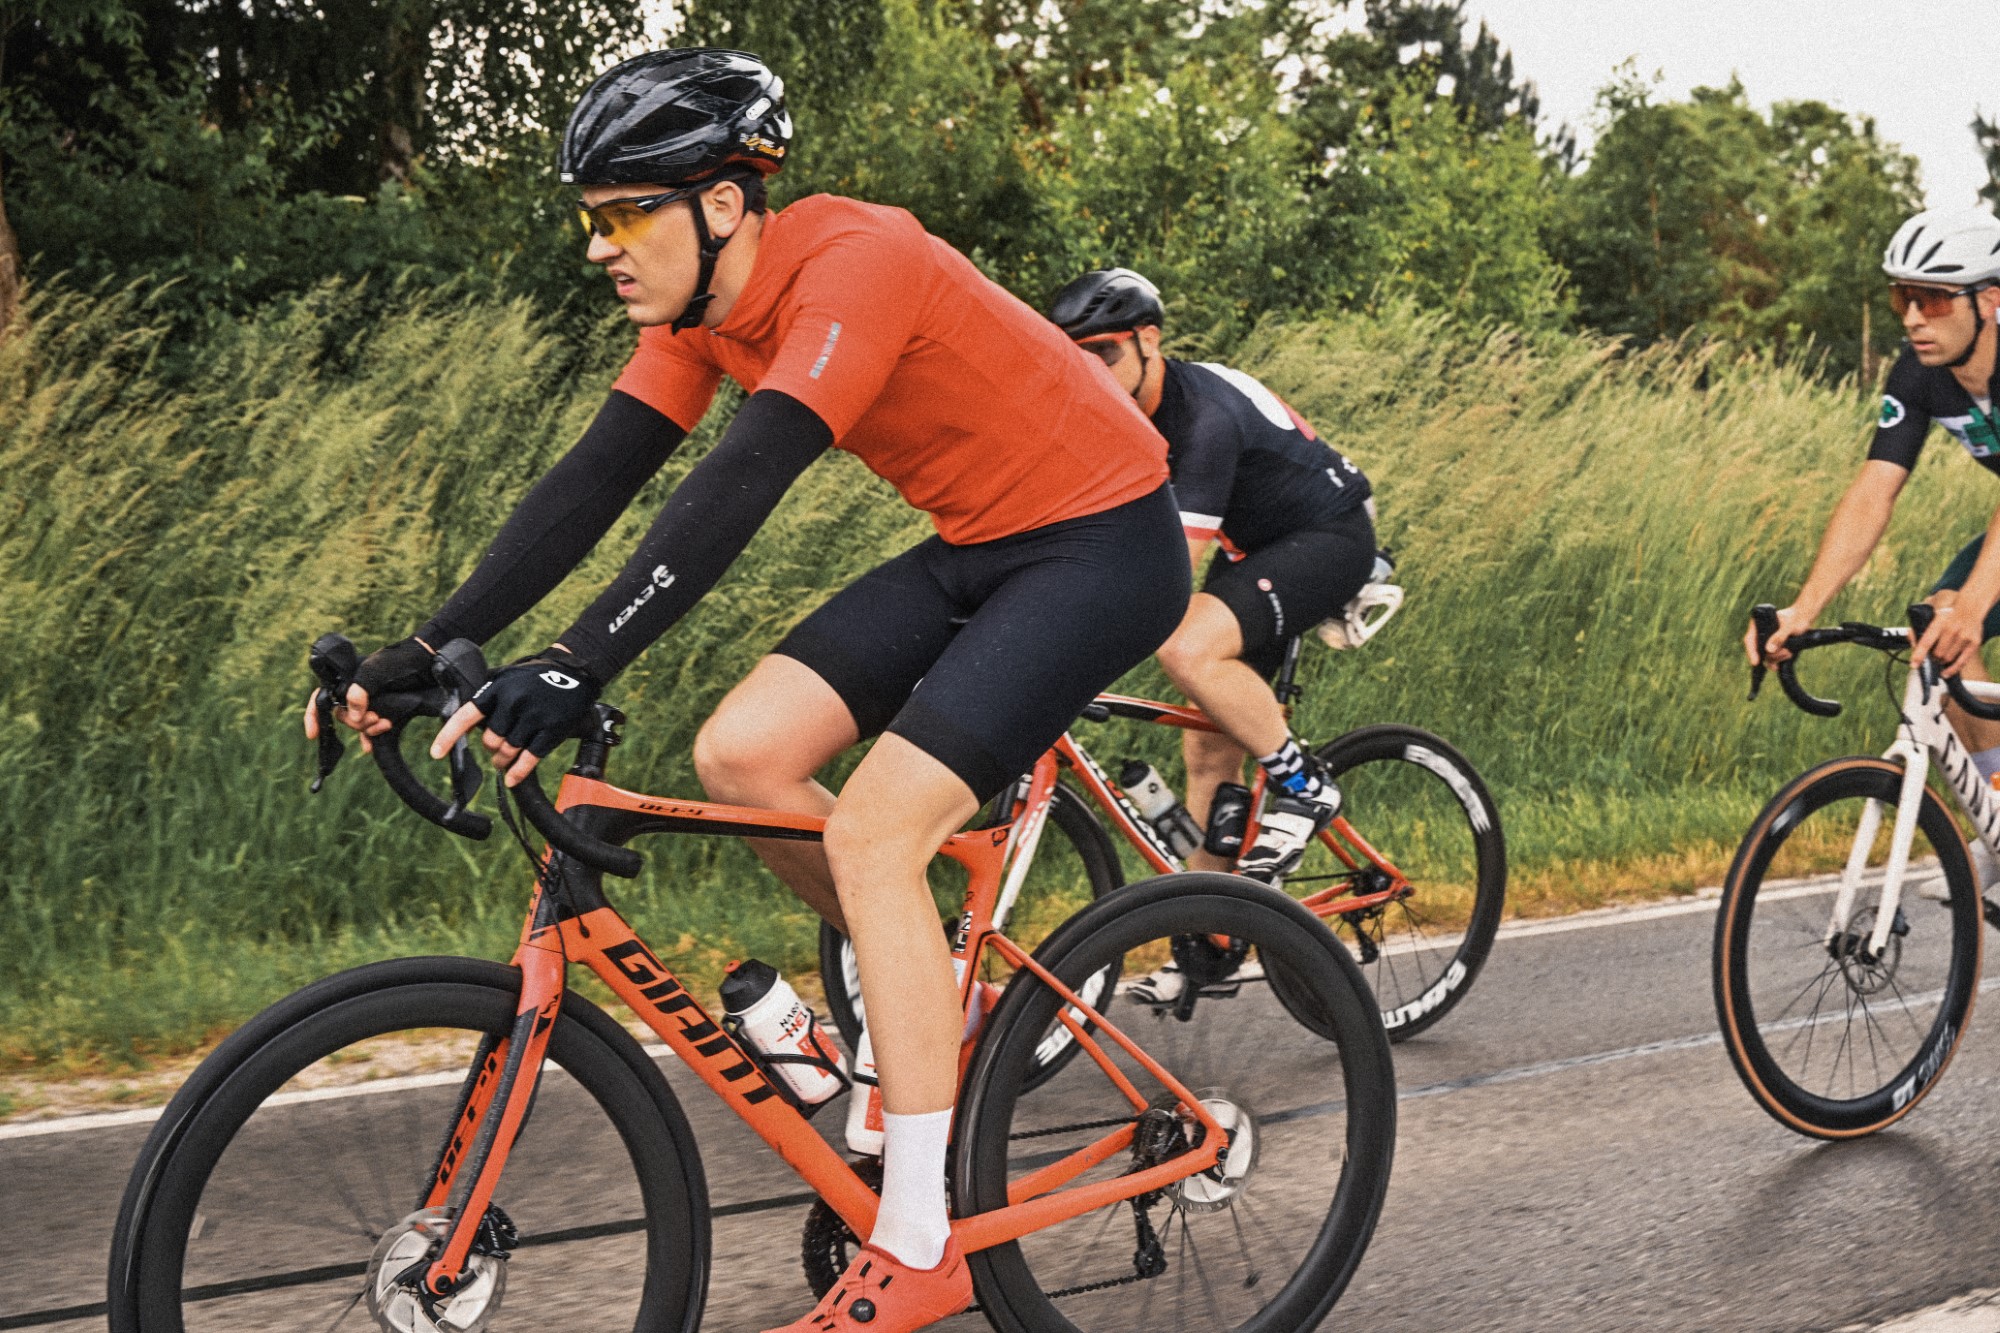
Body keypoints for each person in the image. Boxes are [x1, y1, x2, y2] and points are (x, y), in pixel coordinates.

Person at [305, 50, 1188, 1333]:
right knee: (742, 755)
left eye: (624, 216)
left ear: (721, 203)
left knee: (875, 834)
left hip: (1106, 545)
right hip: (981, 543)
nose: (599, 247)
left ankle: (921, 1239)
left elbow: (744, 479)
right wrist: (432, 639)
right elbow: (597, 477)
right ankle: (931, 1000)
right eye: (591, 218)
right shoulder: (697, 315)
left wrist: (578, 660)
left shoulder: (852, 262)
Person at [1047, 269, 1378, 910]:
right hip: (1253, 550)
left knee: (1186, 647)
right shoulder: (1119, 411)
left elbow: (1165, 572)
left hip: (1329, 537)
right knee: (1207, 745)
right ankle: (1208, 930)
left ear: (1148, 340)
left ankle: (1305, 785)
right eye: (1076, 358)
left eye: (1104, 352)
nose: (1091, 372)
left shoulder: (1202, 418)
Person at [1748, 205, 2000, 887]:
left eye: (1933, 299)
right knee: (1941, 624)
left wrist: (1977, 604)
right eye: (1902, 297)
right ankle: (1998, 810)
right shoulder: (1918, 375)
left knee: (1963, 611)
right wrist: (1803, 608)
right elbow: (1873, 491)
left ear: (1989, 300)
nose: (1913, 317)